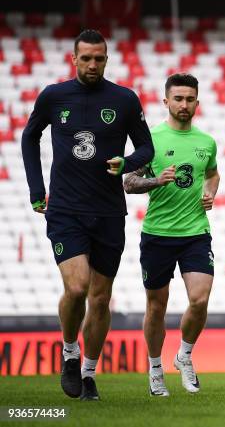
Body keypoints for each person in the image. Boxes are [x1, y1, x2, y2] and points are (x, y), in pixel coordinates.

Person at [21, 29, 154, 400]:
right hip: (65, 209)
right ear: (74, 59)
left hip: (109, 212)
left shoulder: (124, 99)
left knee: (100, 298)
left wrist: (126, 162)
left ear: (107, 60)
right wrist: (36, 190)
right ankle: (68, 350)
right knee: (77, 287)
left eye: (99, 58)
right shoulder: (53, 96)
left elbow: (147, 148)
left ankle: (89, 373)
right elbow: (29, 137)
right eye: (86, 58)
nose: (93, 64)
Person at [123, 73, 219, 397]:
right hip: (158, 234)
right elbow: (129, 182)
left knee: (200, 299)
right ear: (166, 101)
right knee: (156, 307)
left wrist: (210, 192)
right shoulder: (151, 140)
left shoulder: (206, 142)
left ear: (197, 102)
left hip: (195, 232)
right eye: (178, 99)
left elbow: (213, 173)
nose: (184, 104)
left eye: (190, 99)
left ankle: (184, 356)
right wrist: (156, 181)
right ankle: (154, 368)